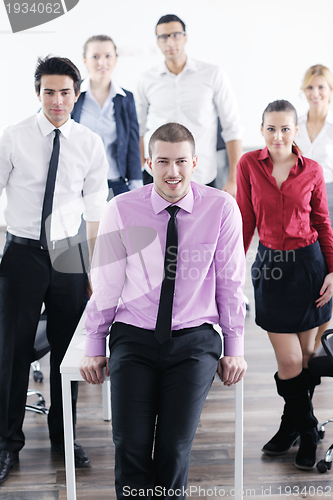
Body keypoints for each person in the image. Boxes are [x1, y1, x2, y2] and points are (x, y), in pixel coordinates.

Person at [79, 122, 247, 499]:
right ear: (148, 162)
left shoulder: (221, 209)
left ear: (195, 162)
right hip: (134, 338)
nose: (173, 172)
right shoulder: (121, 209)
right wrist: (94, 344)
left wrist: (234, 347)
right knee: (131, 446)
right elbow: (106, 283)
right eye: (163, 161)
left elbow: (231, 281)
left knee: (173, 449)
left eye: (181, 161)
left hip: (194, 340)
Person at [0, 56, 109, 483]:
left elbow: (97, 210)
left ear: (76, 94)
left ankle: (65, 437)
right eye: (49, 92)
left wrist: (96, 267)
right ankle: (7, 444)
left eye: (65, 92)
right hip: (22, 254)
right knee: (11, 354)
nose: (58, 100)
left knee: (69, 354)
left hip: (69, 255)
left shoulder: (89, 143)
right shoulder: (14, 137)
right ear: (38, 93)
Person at [236, 99, 333, 470]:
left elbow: (323, 223)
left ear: (296, 131)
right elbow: (245, 220)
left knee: (306, 358)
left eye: (285, 128)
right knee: (290, 359)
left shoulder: (312, 170)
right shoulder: (248, 165)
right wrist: (232, 273)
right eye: (271, 128)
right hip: (272, 267)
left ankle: (289, 424)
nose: (278, 136)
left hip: (310, 267)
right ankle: (308, 429)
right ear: (261, 130)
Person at [136, 14, 243, 195]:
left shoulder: (213, 74)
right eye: (163, 37)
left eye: (175, 35)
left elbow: (232, 127)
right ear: (157, 42)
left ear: (185, 37)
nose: (170, 42)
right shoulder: (146, 79)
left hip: (202, 175)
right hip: (157, 177)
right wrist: (139, 173)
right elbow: (137, 129)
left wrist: (234, 178)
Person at [71, 35, 142, 199]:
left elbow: (132, 145)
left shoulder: (126, 98)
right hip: (78, 186)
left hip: (115, 183)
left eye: (108, 56)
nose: (102, 62)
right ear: (85, 61)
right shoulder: (72, 95)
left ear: (116, 59)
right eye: (95, 56)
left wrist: (136, 187)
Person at [296, 64, 333, 349]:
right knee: (311, 269)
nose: (315, 93)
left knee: (328, 272)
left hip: (330, 200)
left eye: (321, 87)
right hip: (301, 205)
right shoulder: (294, 124)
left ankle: (322, 343)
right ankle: (307, 340)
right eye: (310, 87)